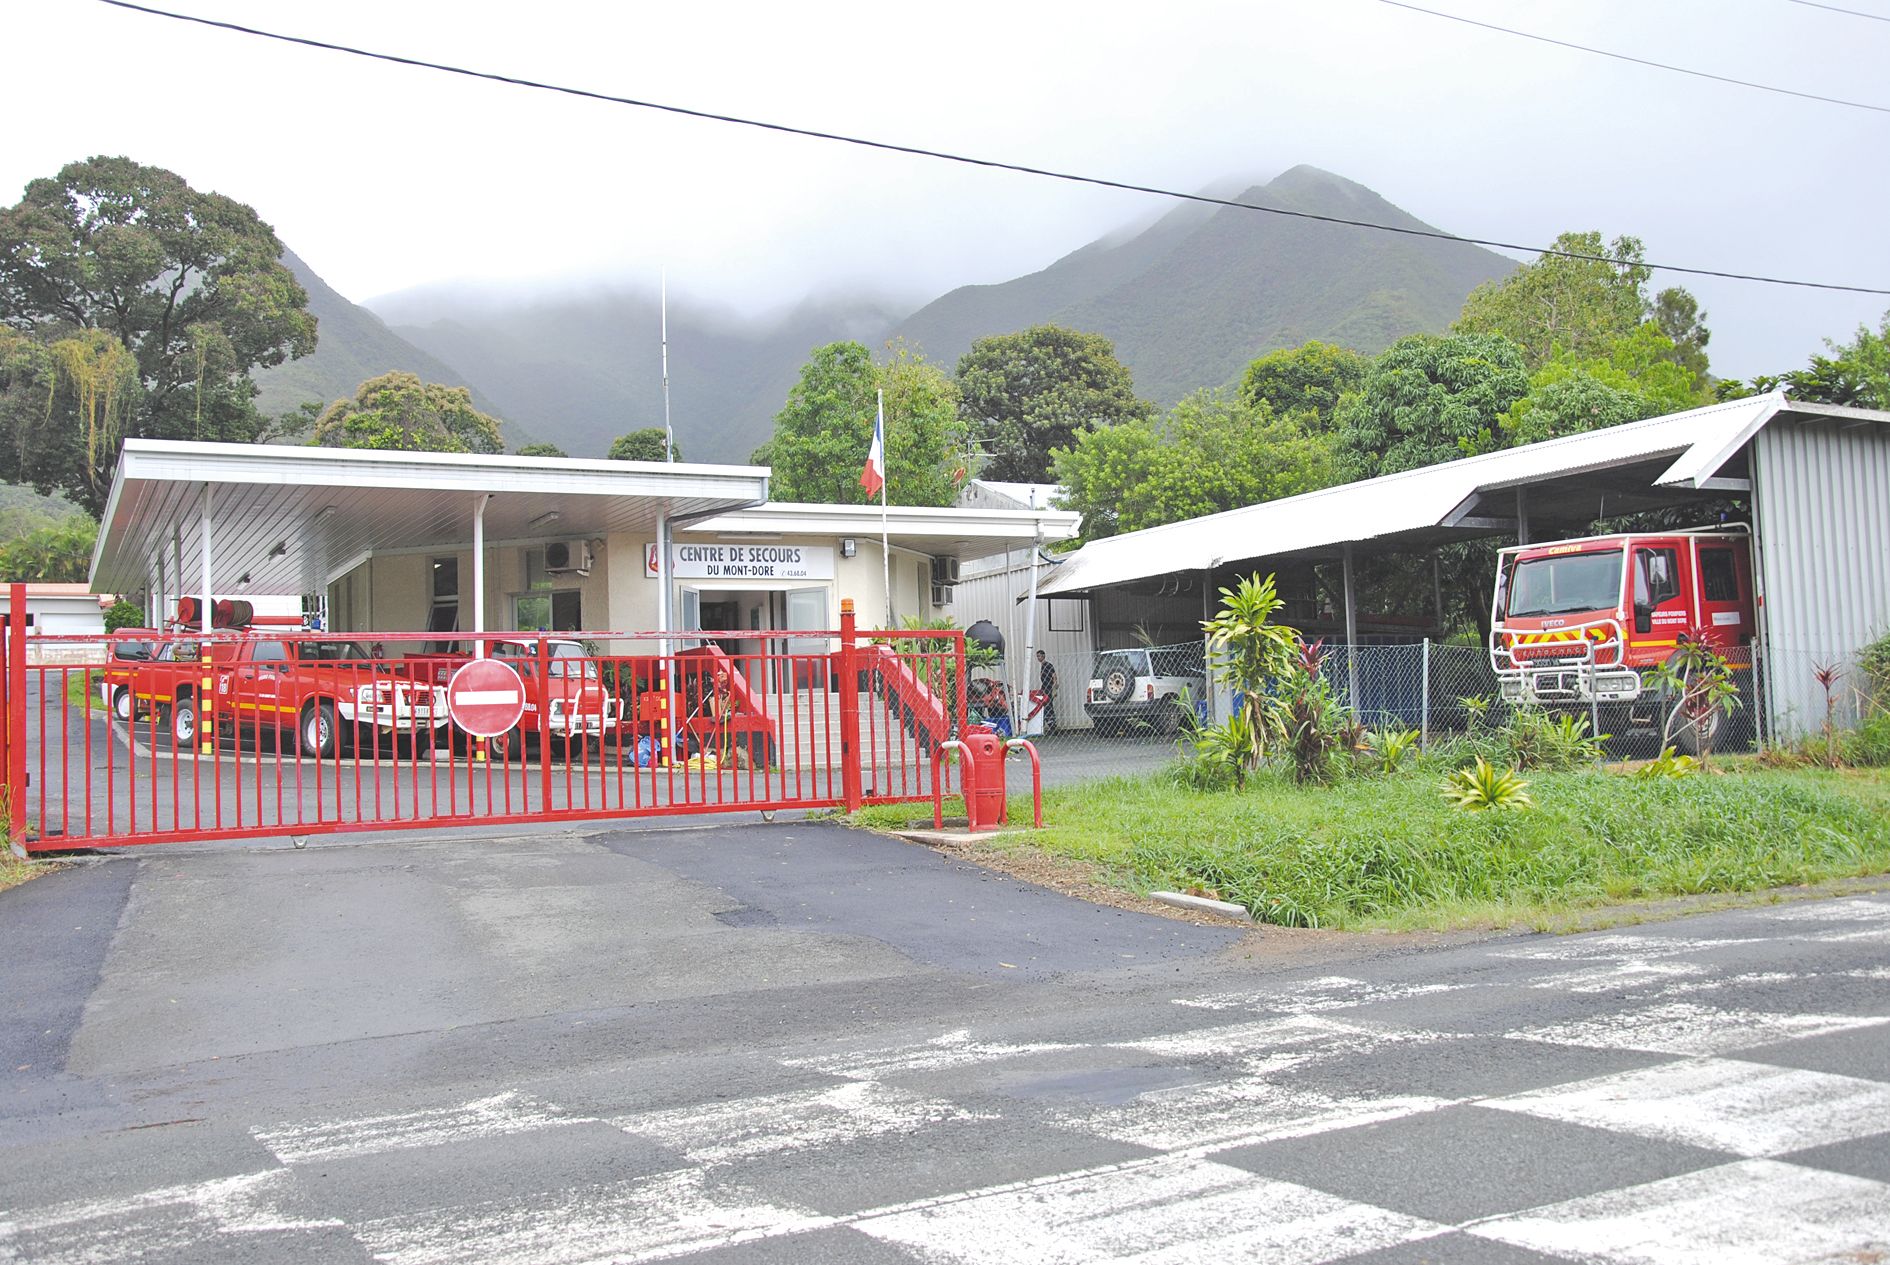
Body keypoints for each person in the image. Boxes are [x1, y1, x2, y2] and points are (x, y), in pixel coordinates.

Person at [1036, 649, 1058, 736]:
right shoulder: (1042, 666)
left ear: (1044, 656)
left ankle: (1052, 726)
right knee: (1046, 706)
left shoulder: (1048, 665)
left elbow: (1054, 676)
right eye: (1037, 656)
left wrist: (1054, 689)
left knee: (1049, 707)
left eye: (1040, 656)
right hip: (1044, 688)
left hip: (1049, 688)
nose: (1038, 658)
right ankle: (1049, 725)